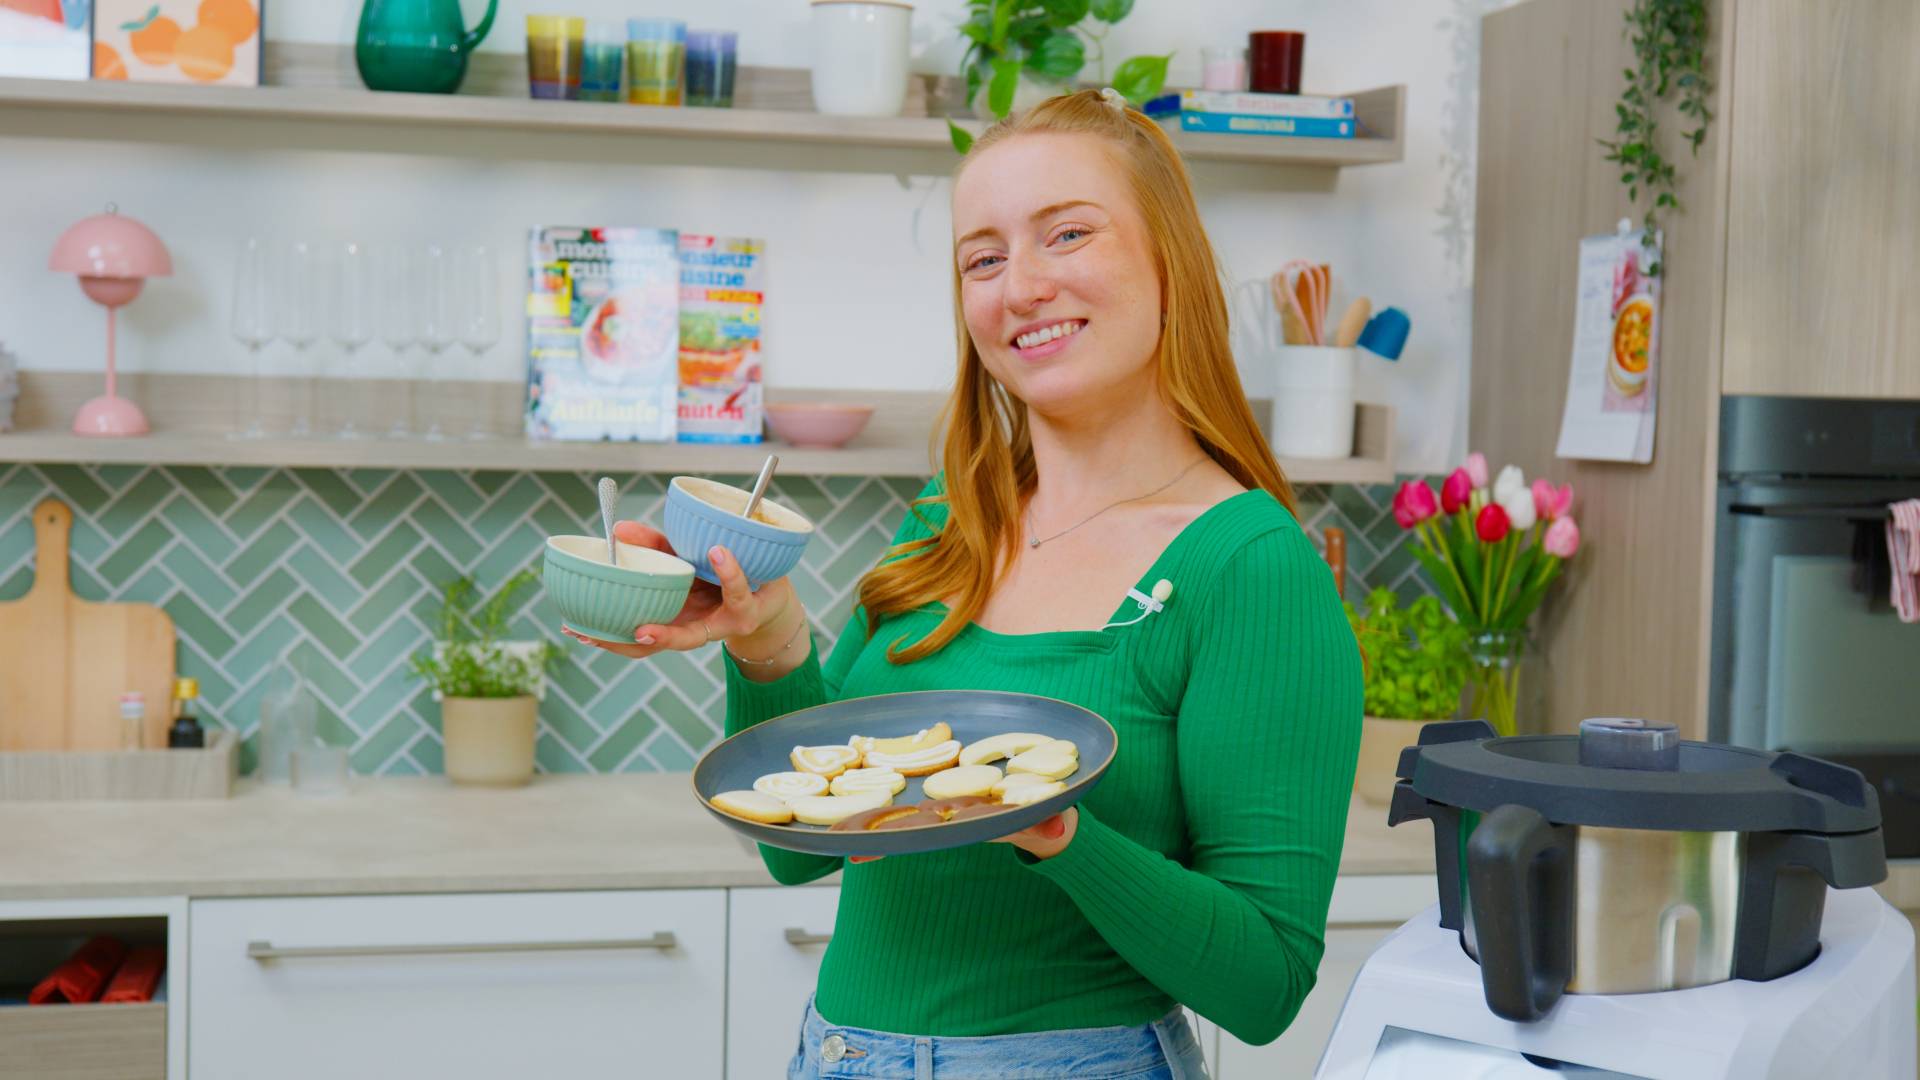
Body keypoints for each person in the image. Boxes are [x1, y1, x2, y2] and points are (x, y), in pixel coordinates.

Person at [565, 87, 1362, 1080]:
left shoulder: (1249, 565)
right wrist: (765, 639)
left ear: (1170, 258)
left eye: (1066, 234)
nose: (1020, 285)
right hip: (838, 1054)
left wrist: (1056, 827)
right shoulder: (953, 518)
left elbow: (1265, 985)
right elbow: (799, 852)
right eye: (983, 258)